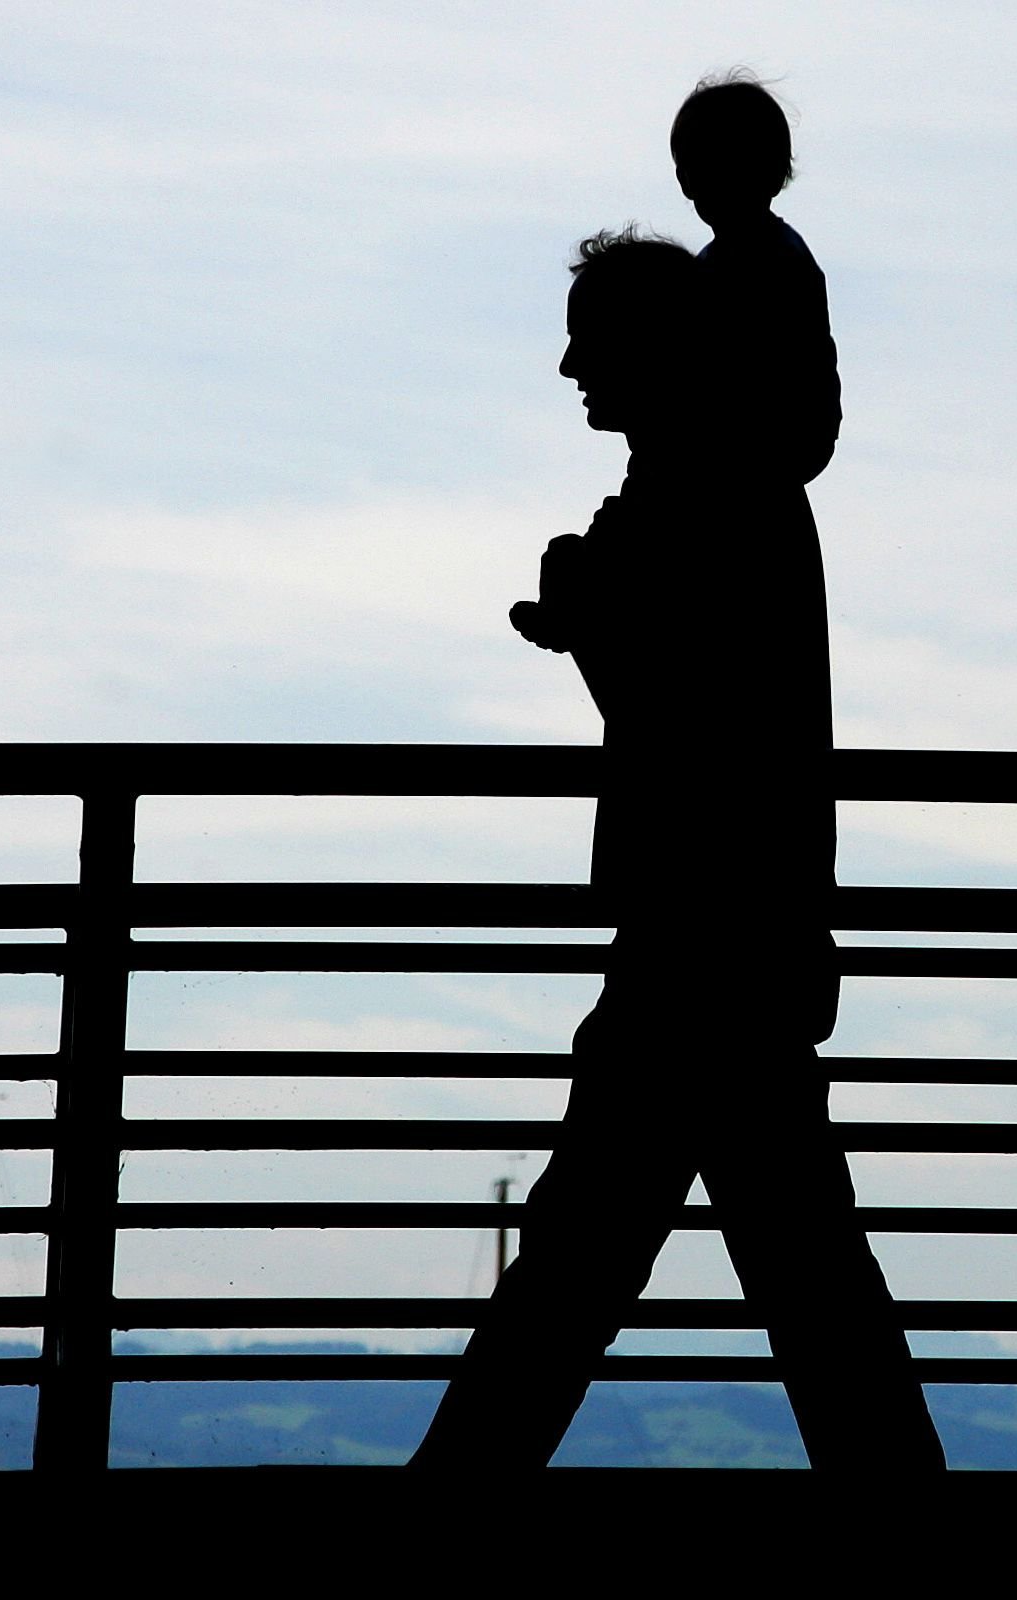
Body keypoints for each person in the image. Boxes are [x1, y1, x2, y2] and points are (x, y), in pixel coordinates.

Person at [411, 229, 943, 1473]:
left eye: (589, 343)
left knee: (590, 1259)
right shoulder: (729, 484)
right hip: (745, 930)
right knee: (786, 1271)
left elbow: (670, 707)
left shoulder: (697, 492)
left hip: (696, 930)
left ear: (650, 350)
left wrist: (586, 610)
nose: (568, 368)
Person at [671, 69, 841, 487]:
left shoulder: (774, 261)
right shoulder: (728, 263)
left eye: (727, 162)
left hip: (763, 457)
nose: (703, 180)